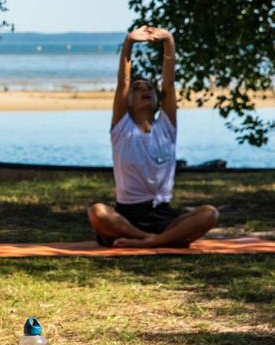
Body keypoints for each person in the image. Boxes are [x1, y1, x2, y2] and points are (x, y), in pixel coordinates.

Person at [87, 25, 219, 248]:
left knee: (210, 214)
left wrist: (169, 40)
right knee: (97, 212)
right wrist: (129, 42)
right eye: (137, 88)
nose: (145, 90)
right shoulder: (122, 128)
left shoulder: (166, 127)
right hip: (128, 216)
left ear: (159, 101)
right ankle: (150, 238)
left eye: (149, 88)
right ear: (127, 102)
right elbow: (123, 83)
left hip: (163, 216)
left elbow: (168, 83)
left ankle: (150, 241)